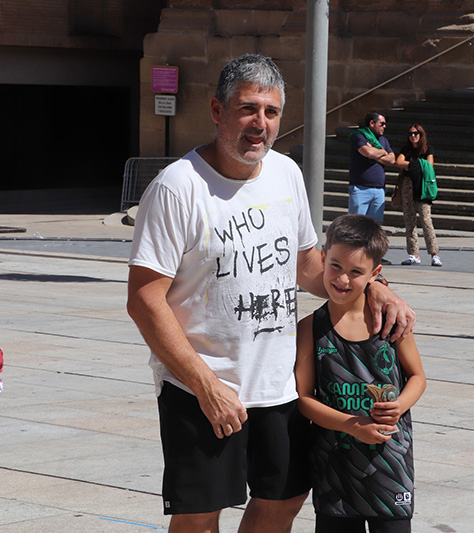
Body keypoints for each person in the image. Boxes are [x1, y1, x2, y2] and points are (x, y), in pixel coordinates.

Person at [126, 54, 416, 533]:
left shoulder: (285, 174)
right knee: (198, 518)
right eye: (247, 109)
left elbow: (308, 266)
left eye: (271, 111)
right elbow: (144, 300)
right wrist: (205, 387)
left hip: (279, 385)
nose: (260, 123)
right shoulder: (178, 187)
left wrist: (377, 288)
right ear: (218, 110)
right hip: (203, 386)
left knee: (283, 502)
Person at [295, 213, 427, 533]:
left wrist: (401, 404)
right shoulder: (311, 328)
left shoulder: (391, 321)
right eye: (336, 266)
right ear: (323, 258)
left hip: (390, 464)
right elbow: (303, 398)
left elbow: (417, 377)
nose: (342, 279)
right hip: (335, 472)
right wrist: (353, 425)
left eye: (356, 272)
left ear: (375, 274)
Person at [395, 123, 442, 267]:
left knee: (426, 221)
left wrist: (411, 165)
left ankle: (434, 254)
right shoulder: (406, 149)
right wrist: (416, 165)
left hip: (423, 185)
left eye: (416, 133)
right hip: (408, 184)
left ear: (421, 135)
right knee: (409, 220)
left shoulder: (428, 149)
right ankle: (413, 254)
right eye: (410, 134)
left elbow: (429, 166)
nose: (413, 136)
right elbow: (398, 162)